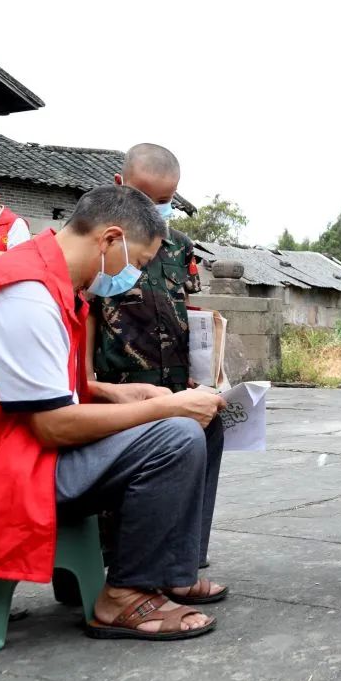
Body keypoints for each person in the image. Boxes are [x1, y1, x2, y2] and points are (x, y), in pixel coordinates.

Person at [0, 184, 228, 640]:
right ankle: (122, 595)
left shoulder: (48, 278)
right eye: (138, 263)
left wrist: (107, 392)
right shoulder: (26, 294)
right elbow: (53, 425)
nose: (136, 277)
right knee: (176, 433)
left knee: (205, 422)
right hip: (1, 472)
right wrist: (164, 405)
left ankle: (171, 572)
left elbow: (26, 386)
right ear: (110, 240)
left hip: (20, 451)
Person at [85, 143, 223, 575]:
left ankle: (186, 560)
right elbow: (86, 311)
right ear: (120, 186)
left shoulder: (180, 246)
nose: (154, 210)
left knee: (199, 449)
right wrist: (87, 375)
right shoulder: (103, 243)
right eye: (145, 198)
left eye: (164, 202)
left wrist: (208, 369)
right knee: (125, 484)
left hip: (177, 379)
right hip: (120, 380)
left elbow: (186, 306)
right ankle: (111, 569)